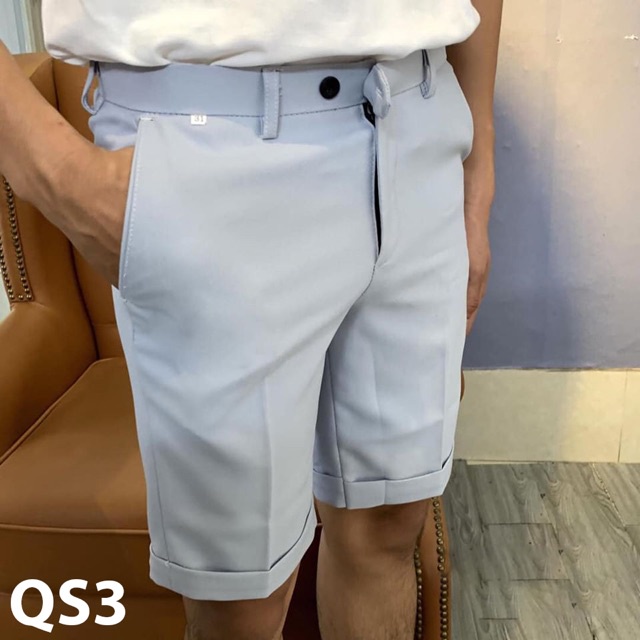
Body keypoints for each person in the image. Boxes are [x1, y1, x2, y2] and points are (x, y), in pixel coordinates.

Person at [0, 1, 502, 638]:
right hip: (209, 135)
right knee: (238, 603)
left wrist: (478, 163)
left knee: (388, 526)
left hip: (420, 123)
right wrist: (56, 175)